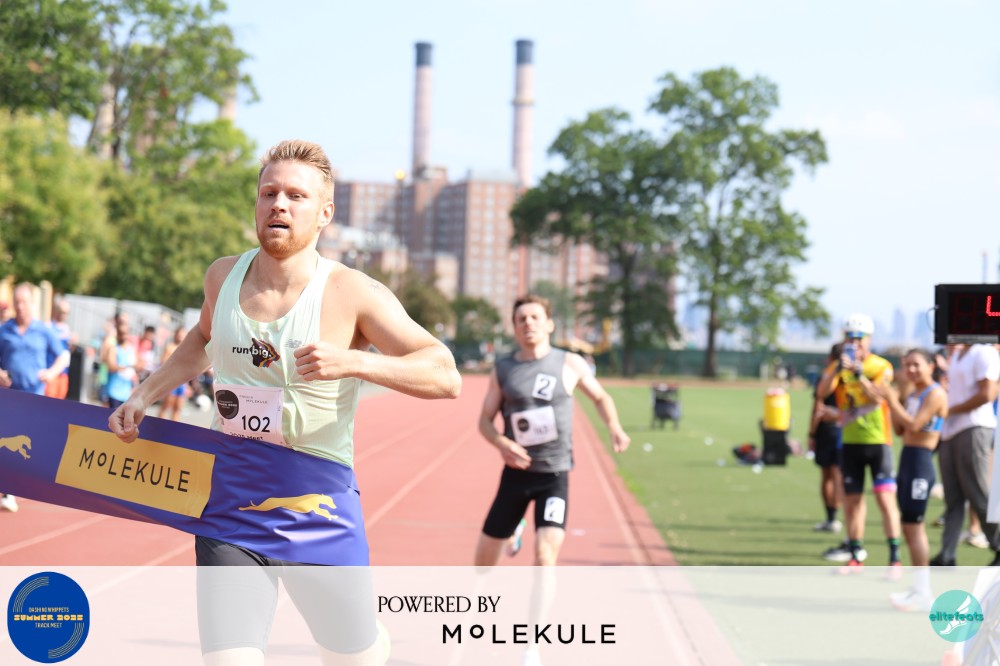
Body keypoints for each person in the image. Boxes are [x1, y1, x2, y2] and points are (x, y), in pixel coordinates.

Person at [109, 139, 461, 666]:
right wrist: (144, 394)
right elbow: (201, 340)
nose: (279, 204)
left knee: (353, 658)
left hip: (317, 505)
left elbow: (445, 374)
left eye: (296, 196)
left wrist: (356, 362)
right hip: (231, 501)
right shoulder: (222, 276)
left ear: (325, 214)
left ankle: (371, 641)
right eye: (269, 193)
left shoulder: (351, 292)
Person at [474, 294, 631, 569]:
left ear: (549, 324)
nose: (528, 323)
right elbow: (484, 421)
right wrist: (501, 443)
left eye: (535, 317)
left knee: (545, 557)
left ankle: (537, 602)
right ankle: (513, 530)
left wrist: (614, 426)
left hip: (554, 475)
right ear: (514, 327)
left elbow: (600, 397)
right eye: (521, 319)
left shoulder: (570, 363)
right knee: (482, 565)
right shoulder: (504, 369)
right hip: (516, 474)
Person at [816, 313, 901, 572]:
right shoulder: (838, 366)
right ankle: (855, 555)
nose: (854, 343)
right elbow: (821, 393)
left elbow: (878, 398)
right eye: (849, 338)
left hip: (878, 442)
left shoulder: (881, 366)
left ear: (869, 340)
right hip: (850, 442)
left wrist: (859, 374)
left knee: (885, 500)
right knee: (852, 502)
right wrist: (838, 371)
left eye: (859, 338)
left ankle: (894, 558)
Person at [876, 349, 948, 611]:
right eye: (907, 365)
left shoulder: (935, 394)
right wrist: (893, 401)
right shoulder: (914, 394)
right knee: (908, 526)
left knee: (915, 526)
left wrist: (891, 399)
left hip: (921, 463)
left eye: (916, 364)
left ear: (931, 366)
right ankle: (919, 588)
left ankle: (924, 592)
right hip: (907, 459)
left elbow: (915, 425)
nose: (911, 370)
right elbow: (900, 429)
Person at [0, 282, 71, 513]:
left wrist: (51, 373)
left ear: (32, 303)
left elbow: (64, 356)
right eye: (17, 302)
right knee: (9, 443)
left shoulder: (43, 330)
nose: (20, 307)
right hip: (10, 397)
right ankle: (8, 491)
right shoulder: (4, 330)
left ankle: (22, 484)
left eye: (24, 302)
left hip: (35, 397)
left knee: (28, 445)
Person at [930, 343, 1000, 567]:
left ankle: (998, 545)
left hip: (974, 427)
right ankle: (947, 554)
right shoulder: (958, 355)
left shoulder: (984, 352)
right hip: (951, 431)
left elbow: (987, 393)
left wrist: (951, 410)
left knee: (978, 493)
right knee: (953, 498)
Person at [810, 342, 844, 534]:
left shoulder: (826, 377)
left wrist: (811, 433)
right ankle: (836, 518)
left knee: (828, 476)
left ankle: (831, 518)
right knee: (838, 475)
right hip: (846, 429)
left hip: (827, 430)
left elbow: (818, 407)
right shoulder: (853, 376)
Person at [44, 295, 73, 399]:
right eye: (62, 312)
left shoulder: (66, 329)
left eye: (66, 313)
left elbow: (67, 351)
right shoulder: (48, 326)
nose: (63, 315)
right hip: (51, 370)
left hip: (63, 373)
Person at [157, 326, 188, 421]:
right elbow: (163, 363)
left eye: (183, 334)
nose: (181, 336)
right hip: (171, 381)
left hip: (182, 382)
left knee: (178, 407)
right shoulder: (170, 347)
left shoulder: (186, 349)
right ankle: (159, 426)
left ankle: (174, 428)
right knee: (166, 405)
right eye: (180, 334)